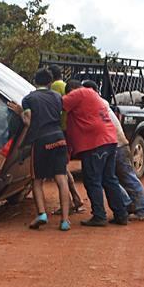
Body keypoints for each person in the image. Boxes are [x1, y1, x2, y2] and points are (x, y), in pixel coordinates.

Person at [8, 68, 72, 231]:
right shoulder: (58, 97)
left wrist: (20, 112)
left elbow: (28, 121)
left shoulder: (29, 99)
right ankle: (65, 221)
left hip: (41, 140)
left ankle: (42, 214)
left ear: (35, 81)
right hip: (59, 139)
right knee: (61, 179)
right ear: (50, 83)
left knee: (37, 180)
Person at [82, 80, 144, 220]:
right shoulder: (102, 103)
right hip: (115, 144)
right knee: (110, 179)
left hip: (117, 145)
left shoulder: (97, 103)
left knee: (125, 178)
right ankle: (128, 204)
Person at [63, 78, 130, 226]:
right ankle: (121, 214)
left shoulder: (80, 92)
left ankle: (99, 215)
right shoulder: (91, 96)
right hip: (109, 140)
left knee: (93, 180)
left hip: (95, 144)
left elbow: (59, 104)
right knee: (109, 179)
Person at [48, 65, 85, 213]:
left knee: (59, 168)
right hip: (66, 130)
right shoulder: (63, 85)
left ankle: (69, 202)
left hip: (60, 130)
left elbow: (54, 107)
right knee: (62, 166)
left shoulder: (56, 86)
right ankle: (75, 198)